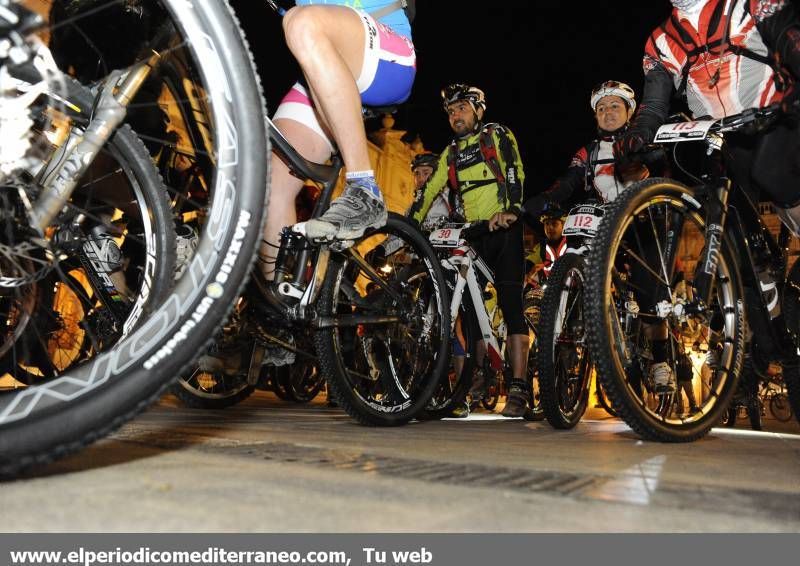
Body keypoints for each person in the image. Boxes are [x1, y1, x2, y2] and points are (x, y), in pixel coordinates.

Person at [614, 0, 800, 391]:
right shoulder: (662, 39)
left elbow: (789, 37)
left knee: (775, 174)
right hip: (723, 137)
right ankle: (761, 336)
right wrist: (642, 129)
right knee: (733, 239)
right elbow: (656, 96)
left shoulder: (745, 4)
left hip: (774, 117)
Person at [261, 0, 416, 278]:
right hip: (322, 65)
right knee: (272, 185)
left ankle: (364, 189)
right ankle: (278, 299)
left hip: (387, 55)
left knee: (302, 23)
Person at [409, 83, 529, 417]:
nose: (455, 115)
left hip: (504, 228)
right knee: (472, 315)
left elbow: (513, 169)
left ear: (477, 110)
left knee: (510, 302)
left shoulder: (496, 135)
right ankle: (480, 374)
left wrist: (513, 209)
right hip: (473, 233)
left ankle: (518, 387)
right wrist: (409, 227)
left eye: (461, 108)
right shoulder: (449, 152)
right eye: (450, 111)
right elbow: (429, 191)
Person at [525, 208, 568, 286]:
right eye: (547, 224)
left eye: (554, 224)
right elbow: (530, 262)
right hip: (549, 290)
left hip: (570, 287)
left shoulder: (570, 243)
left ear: (563, 225)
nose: (550, 228)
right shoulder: (542, 245)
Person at [410, 152, 452, 229]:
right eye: (417, 174)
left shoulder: (452, 199)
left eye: (426, 173)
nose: (420, 179)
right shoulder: (411, 210)